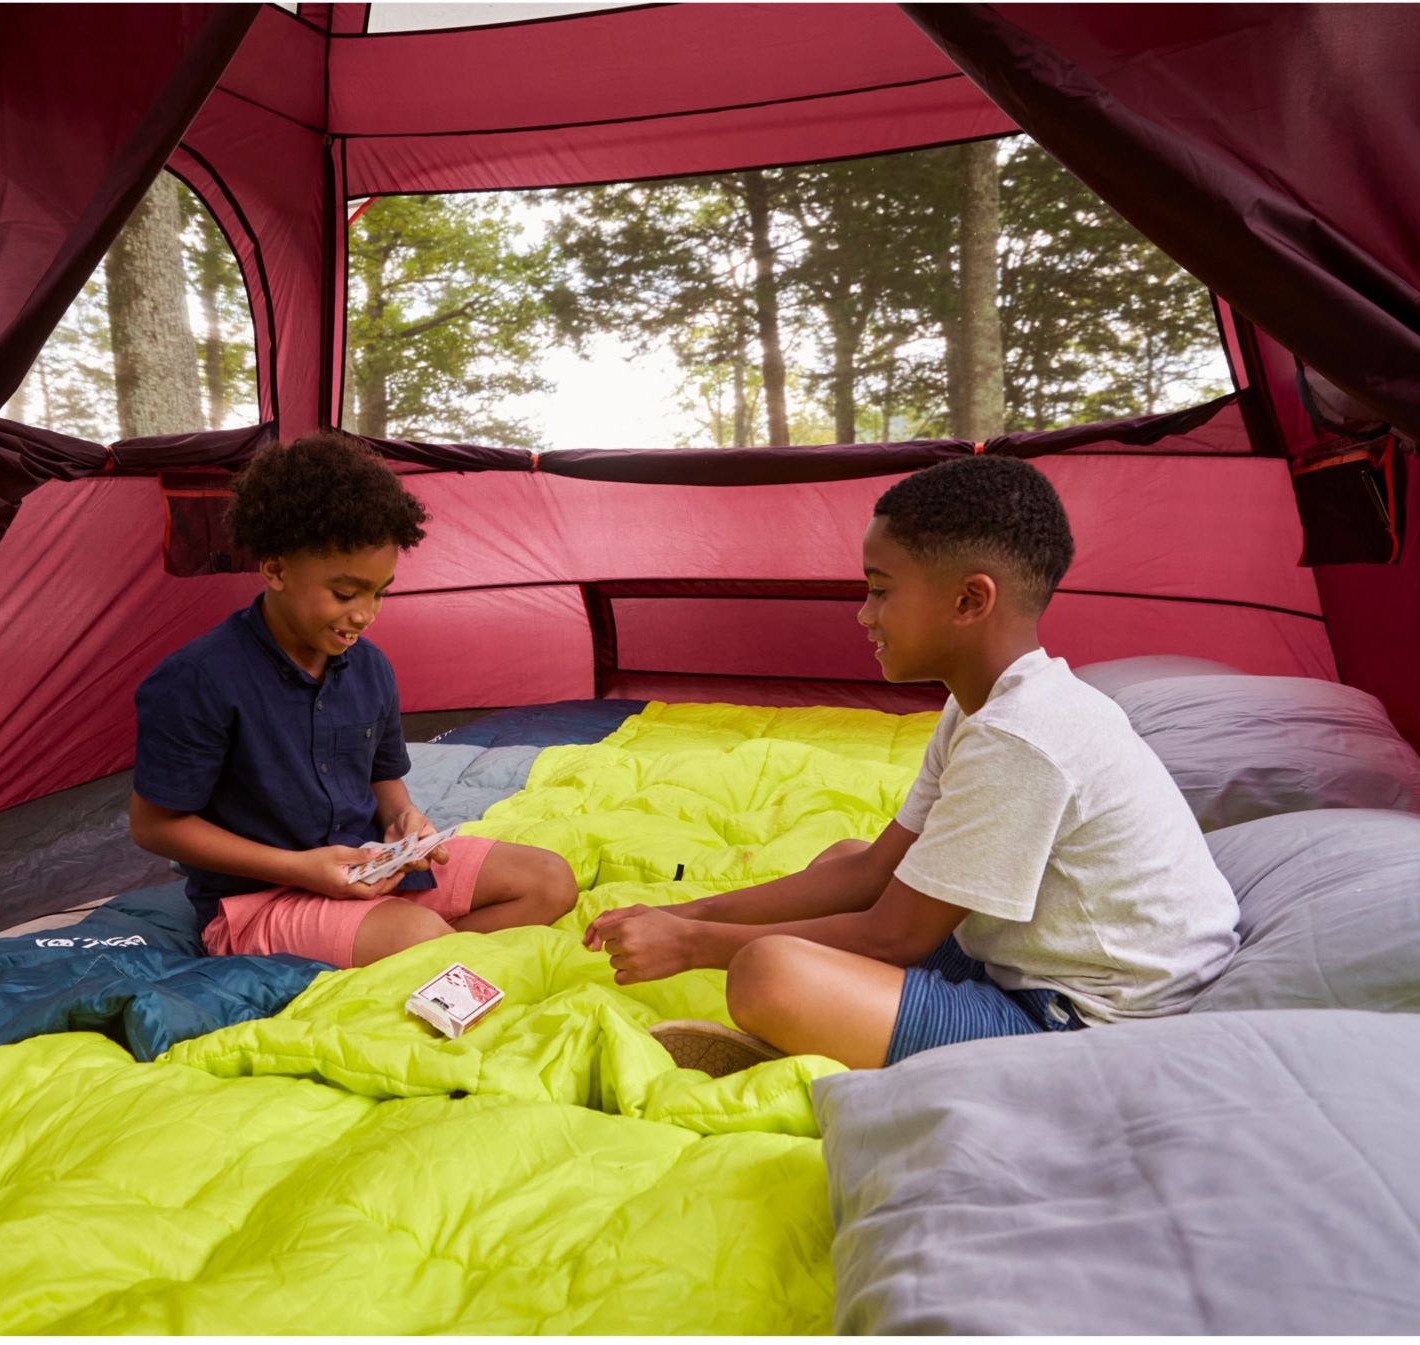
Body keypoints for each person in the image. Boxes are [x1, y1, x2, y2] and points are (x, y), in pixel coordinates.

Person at [585, 456, 1239, 1073]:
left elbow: (893, 938)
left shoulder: (1020, 737)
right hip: (1025, 958)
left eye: (880, 591)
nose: (864, 614)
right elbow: (872, 870)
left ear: (969, 601)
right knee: (844, 856)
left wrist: (691, 946)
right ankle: (842, 1028)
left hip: (1084, 1022)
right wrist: (689, 913)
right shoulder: (982, 705)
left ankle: (827, 1040)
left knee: (768, 970)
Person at [130, 430, 577, 968]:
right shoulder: (198, 679)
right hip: (261, 898)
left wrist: (405, 818)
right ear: (276, 569)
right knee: (422, 937)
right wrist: (301, 869)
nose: (364, 615)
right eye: (345, 594)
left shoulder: (370, 667)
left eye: (379, 592)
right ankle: (426, 956)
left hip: (368, 868)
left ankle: (423, 957)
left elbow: (383, 778)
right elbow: (154, 826)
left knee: (549, 881)